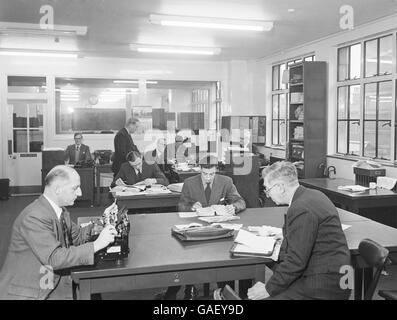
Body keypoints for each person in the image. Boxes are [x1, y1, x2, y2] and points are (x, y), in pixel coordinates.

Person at [0, 165, 117, 300]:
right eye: (75, 188)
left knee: (94, 293)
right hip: (32, 291)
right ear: (58, 190)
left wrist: (103, 221)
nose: (80, 193)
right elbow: (54, 258)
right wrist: (97, 245)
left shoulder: (59, 211)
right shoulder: (34, 217)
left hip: (48, 279)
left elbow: (77, 236)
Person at [247, 161, 352, 300]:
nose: (267, 195)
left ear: (280, 187)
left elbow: (296, 261)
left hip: (325, 284)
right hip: (338, 275)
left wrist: (268, 289)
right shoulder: (313, 195)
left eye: (267, 189)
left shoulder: (301, 208)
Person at [156, 155, 246, 300]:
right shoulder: (189, 182)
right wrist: (191, 207)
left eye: (212, 174)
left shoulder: (226, 181)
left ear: (216, 170)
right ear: (200, 170)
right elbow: (181, 205)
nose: (208, 177)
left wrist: (233, 207)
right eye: (205, 174)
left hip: (218, 229)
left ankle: (225, 292)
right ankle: (186, 289)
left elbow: (240, 201)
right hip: (195, 229)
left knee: (224, 258)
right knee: (187, 256)